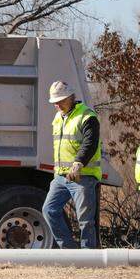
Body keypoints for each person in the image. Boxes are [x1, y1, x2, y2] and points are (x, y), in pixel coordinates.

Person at [41, 80, 102, 248]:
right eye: (55, 102)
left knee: (85, 221)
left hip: (83, 176)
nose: (57, 105)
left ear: (71, 97)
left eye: (60, 101)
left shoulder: (87, 116)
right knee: (49, 210)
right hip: (61, 176)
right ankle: (70, 251)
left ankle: (88, 255)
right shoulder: (58, 117)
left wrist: (78, 163)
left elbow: (90, 143)